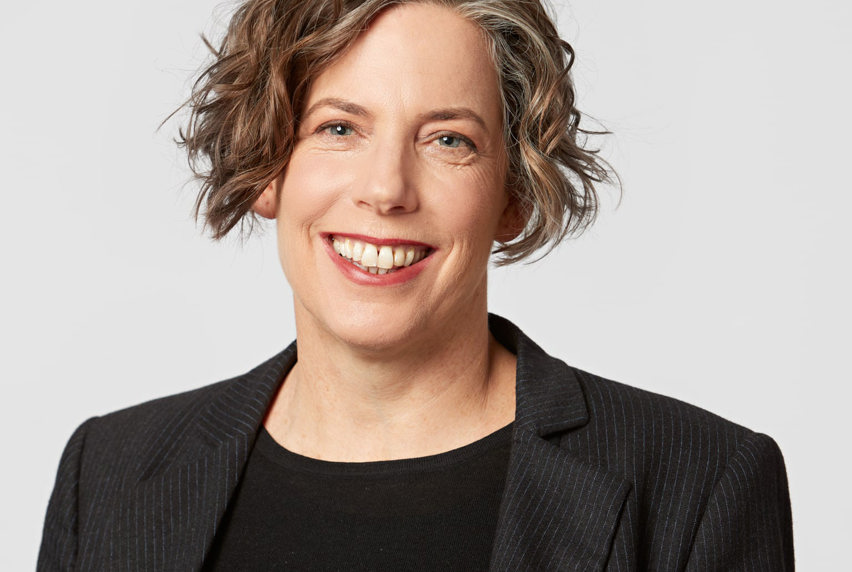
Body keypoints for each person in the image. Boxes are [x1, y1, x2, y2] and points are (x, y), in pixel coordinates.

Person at [38, 0, 794, 570]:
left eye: (448, 140)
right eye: (339, 128)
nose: (387, 189)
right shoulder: (109, 474)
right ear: (267, 165)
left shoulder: (699, 483)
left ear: (514, 193)